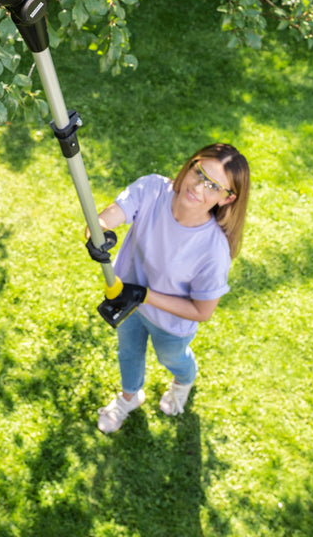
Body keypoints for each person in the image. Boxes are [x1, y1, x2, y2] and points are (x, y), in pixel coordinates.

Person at [92, 143, 250, 433]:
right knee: (128, 352)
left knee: (171, 357)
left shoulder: (213, 250)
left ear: (228, 199)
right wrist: (99, 228)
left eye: (214, 187)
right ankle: (129, 398)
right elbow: (111, 214)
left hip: (171, 323)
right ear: (190, 164)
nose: (199, 188)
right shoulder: (152, 189)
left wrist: (144, 294)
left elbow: (202, 311)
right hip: (126, 303)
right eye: (199, 173)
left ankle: (184, 381)